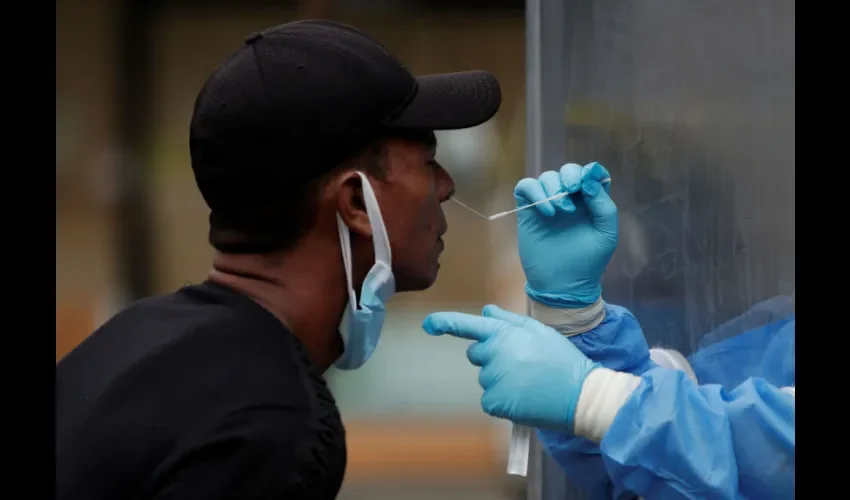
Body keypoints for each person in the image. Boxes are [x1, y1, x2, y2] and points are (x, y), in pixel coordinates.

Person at [55, 19, 502, 500]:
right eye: (427, 162)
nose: (447, 186)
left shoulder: (134, 337)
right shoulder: (273, 428)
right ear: (355, 202)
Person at [423, 163, 795, 499]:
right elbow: (663, 461)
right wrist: (575, 320)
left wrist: (596, 398)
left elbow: (757, 461)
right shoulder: (776, 335)